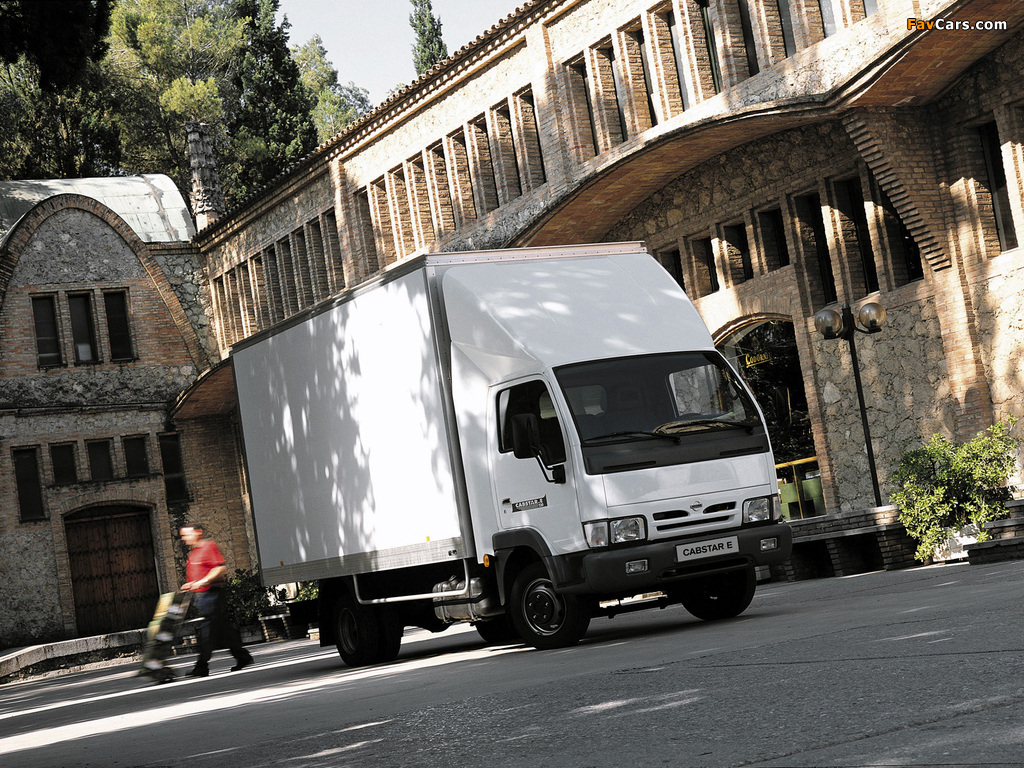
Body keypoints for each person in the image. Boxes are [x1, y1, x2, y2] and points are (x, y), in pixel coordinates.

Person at [179, 523, 254, 677]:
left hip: (211, 595)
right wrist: (192, 584)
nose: (184, 538)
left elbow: (219, 568)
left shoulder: (208, 546)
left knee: (207, 631)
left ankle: (202, 666)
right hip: (202, 596)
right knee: (223, 630)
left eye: (186, 534)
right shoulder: (195, 551)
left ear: (198, 532)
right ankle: (242, 656)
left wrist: (204, 581)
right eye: (183, 536)